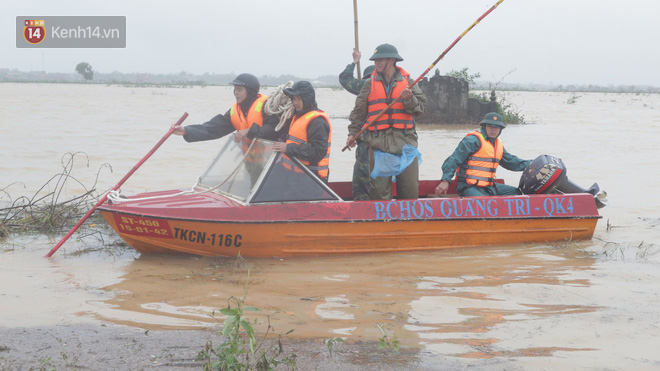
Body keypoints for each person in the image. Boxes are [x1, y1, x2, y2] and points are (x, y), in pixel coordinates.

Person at [346, 43, 427, 200]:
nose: (377, 63)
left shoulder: (408, 82)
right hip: (378, 146)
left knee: (409, 192)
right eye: (375, 60)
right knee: (379, 195)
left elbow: (421, 108)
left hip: (406, 145)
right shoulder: (370, 83)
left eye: (380, 60)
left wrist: (409, 98)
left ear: (392, 60)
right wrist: (352, 133)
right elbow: (358, 112)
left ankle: (408, 223)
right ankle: (383, 224)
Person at [434, 112, 532, 197]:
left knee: (516, 193)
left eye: (496, 127)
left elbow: (512, 163)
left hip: (488, 187)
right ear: (484, 127)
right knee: (482, 202)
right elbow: (454, 160)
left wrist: (534, 164)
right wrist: (445, 180)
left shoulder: (498, 145)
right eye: (490, 126)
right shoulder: (472, 140)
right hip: (468, 186)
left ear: (500, 129)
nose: (493, 130)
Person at [172, 73, 280, 145]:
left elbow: (275, 128)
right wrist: (186, 131)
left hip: (272, 162)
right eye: (235, 89)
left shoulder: (267, 106)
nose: (236, 93)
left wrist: (249, 131)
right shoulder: (235, 111)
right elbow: (213, 128)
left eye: (240, 90)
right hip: (251, 162)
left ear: (250, 91)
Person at [272, 81, 332, 183]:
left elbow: (317, 151)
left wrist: (288, 148)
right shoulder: (297, 116)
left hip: (311, 179)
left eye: (299, 99)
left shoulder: (317, 121)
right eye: (294, 99)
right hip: (294, 175)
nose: (295, 102)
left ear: (307, 99)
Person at [339, 48, 376, 201]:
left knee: (362, 183)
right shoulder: (389, 88)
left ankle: (363, 212)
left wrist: (354, 62)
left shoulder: (367, 85)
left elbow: (344, 79)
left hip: (367, 143)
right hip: (387, 144)